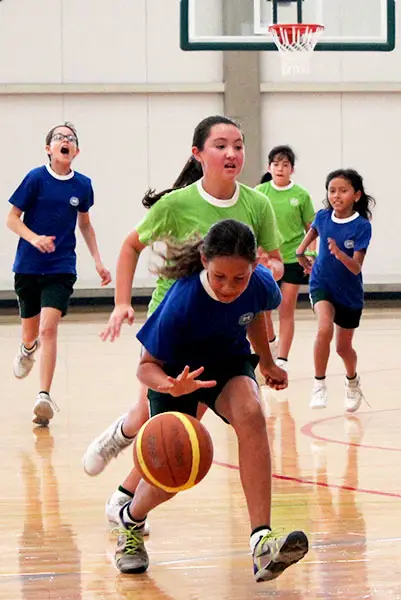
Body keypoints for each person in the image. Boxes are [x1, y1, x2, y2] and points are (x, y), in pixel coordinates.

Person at [82, 115, 283, 536]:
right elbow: (131, 245)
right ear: (198, 154)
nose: (232, 154)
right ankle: (118, 444)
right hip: (175, 324)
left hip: (226, 325)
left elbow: (272, 259)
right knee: (157, 420)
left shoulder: (258, 204)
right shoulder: (175, 204)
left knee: (191, 431)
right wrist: (121, 303)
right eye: (221, 145)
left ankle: (128, 500)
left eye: (238, 145)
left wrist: (265, 276)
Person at [113, 218, 308, 581]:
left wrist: (266, 361)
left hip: (226, 361)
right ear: (204, 260)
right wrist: (173, 386)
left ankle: (261, 542)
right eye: (220, 277)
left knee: (252, 412)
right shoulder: (183, 300)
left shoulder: (260, 282)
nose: (229, 286)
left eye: (239, 278)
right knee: (176, 470)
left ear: (254, 267)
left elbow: (255, 313)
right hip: (175, 373)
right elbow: (146, 367)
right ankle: (131, 520)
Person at [6, 122, 111, 426]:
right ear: (48, 148)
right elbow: (11, 219)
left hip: (61, 266)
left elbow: (86, 225)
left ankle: (43, 396)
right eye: (59, 138)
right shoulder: (35, 179)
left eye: (71, 139)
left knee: (48, 328)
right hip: (28, 266)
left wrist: (98, 262)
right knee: (31, 333)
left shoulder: (82, 185)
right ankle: (27, 349)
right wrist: (33, 238)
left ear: (76, 150)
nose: (65, 141)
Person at [295, 169, 374, 412]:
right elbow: (301, 249)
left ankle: (352, 381)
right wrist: (303, 258)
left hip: (349, 292)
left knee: (342, 347)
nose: (336, 195)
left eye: (343, 190)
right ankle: (319, 384)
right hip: (321, 285)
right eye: (332, 190)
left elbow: (356, 267)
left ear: (356, 195)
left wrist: (339, 254)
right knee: (323, 327)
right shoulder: (322, 218)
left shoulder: (362, 226)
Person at [255, 145, 315, 369]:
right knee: (265, 310)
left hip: (292, 258)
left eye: (285, 165)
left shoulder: (300, 195)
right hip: (267, 261)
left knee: (286, 308)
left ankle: (282, 358)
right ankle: (270, 343)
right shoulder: (260, 192)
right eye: (276, 164)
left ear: (292, 169)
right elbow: (252, 225)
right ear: (269, 167)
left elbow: (311, 227)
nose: (280, 169)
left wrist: (310, 253)